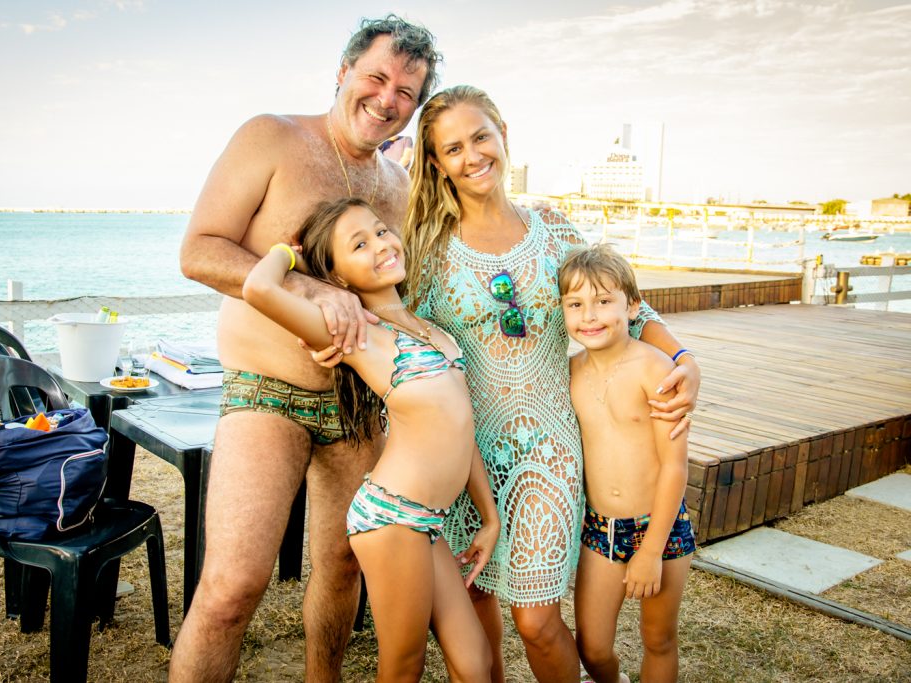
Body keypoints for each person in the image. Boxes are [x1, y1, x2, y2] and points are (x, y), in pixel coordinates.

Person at [396, 85, 700, 683]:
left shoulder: (554, 230)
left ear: (503, 134)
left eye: (481, 136)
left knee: (535, 620)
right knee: (474, 616)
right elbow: (392, 325)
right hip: (461, 453)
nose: (472, 155)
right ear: (436, 163)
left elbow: (629, 307)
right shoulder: (426, 251)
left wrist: (684, 357)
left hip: (549, 448)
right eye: (452, 147)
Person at [172, 16, 442, 682]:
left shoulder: (398, 189)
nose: (386, 98)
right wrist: (309, 288)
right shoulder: (272, 137)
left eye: (406, 91)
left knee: (346, 564)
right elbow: (199, 249)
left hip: (357, 404)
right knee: (232, 586)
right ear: (343, 72)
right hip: (267, 392)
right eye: (376, 77)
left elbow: (397, 296)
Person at [243, 198, 498, 682]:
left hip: (428, 521)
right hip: (392, 518)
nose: (382, 244)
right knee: (404, 666)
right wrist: (292, 256)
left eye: (381, 231)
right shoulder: (357, 334)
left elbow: (462, 428)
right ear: (338, 277)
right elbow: (258, 288)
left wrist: (489, 516)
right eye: (359, 244)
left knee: (475, 662)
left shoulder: (428, 327)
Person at [560, 243, 694, 683]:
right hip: (600, 529)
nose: (590, 316)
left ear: (633, 305)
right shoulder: (571, 372)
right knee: (593, 648)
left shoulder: (655, 370)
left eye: (604, 301)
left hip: (661, 526)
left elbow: (674, 466)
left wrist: (652, 550)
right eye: (576, 304)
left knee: (658, 639)